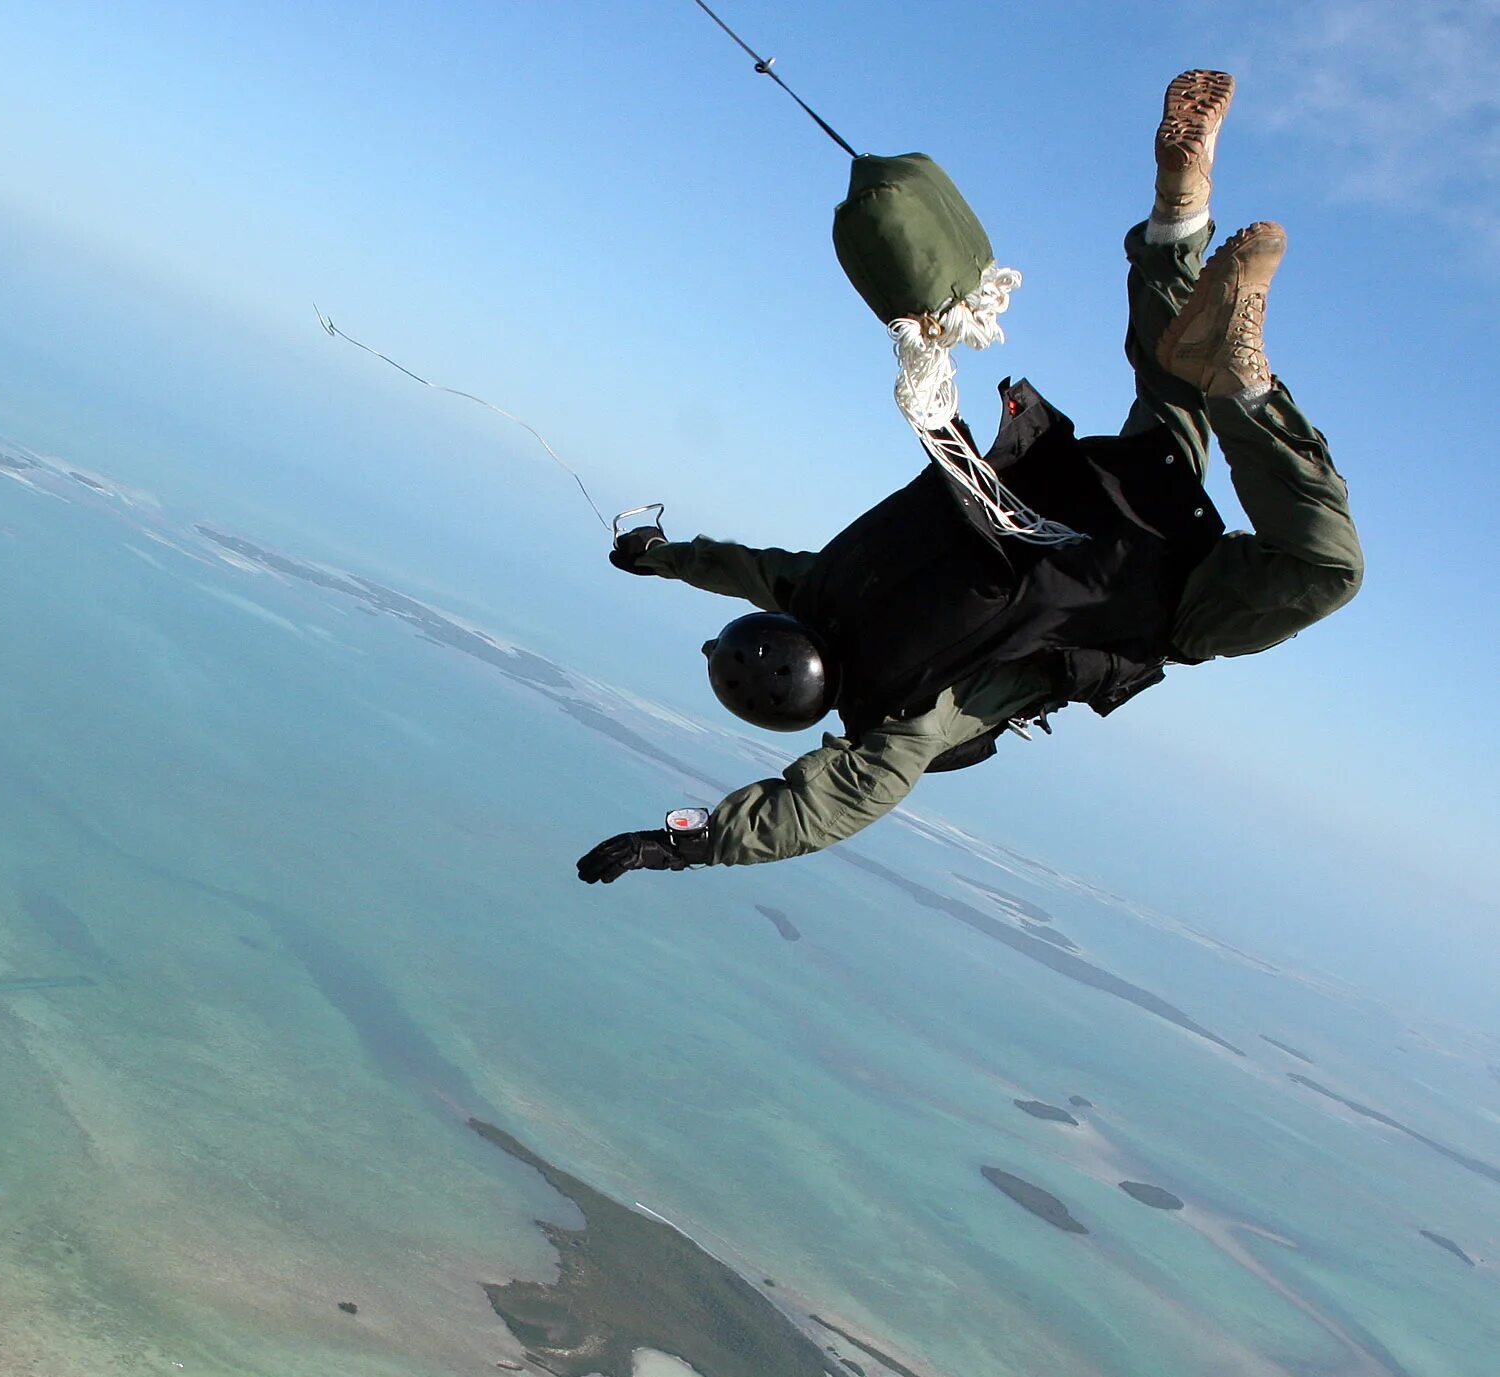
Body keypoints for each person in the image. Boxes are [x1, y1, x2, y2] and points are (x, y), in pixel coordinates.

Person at [579, 70, 1362, 884]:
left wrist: (683, 843)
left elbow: (818, 807)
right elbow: (739, 569)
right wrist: (656, 554)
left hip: (1147, 594)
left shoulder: (900, 716)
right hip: (1085, 492)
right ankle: (1176, 226)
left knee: (1325, 568)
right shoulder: (817, 591)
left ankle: (1241, 383)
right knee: (1172, 389)